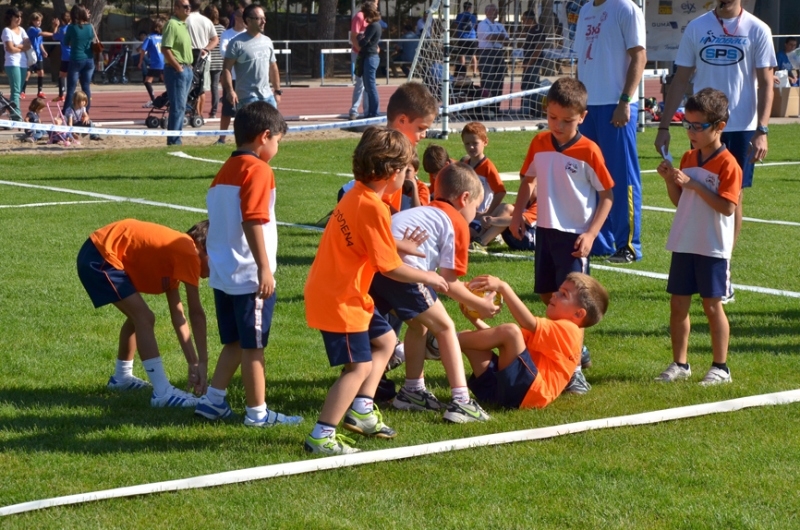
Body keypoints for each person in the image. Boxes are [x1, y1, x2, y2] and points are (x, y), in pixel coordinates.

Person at [304, 127, 449, 455]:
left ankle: (362, 410)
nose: (407, 177)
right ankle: (322, 435)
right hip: (342, 299)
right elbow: (389, 268)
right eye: (407, 171)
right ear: (394, 173)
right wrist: (429, 277)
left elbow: (363, 237)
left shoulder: (358, 194)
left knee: (385, 342)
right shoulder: (373, 206)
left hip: (337, 292)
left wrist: (398, 242)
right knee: (358, 367)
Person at [656, 0, 775, 302]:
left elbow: (765, 82)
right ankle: (698, 266)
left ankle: (723, 271)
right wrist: (665, 125)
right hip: (702, 126)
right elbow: (680, 77)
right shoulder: (697, 27)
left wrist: (762, 129)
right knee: (694, 192)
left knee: (733, 197)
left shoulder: (758, 29)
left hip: (741, 126)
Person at [194, 102, 302, 427]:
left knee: (236, 342)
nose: (277, 148)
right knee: (254, 347)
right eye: (278, 141)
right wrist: (264, 268)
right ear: (264, 136)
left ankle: (213, 401)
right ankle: (258, 414)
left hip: (225, 274)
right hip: (248, 276)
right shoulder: (259, 171)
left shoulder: (223, 172)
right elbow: (253, 220)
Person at [510, 77, 614, 395]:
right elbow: (528, 179)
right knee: (548, 297)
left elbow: (607, 195)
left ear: (582, 117)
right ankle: (574, 350)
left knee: (572, 308)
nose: (558, 125)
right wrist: (516, 213)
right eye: (552, 118)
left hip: (574, 238)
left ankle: (574, 370)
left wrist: (591, 234)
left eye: (566, 120)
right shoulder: (539, 143)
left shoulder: (589, 150)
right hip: (545, 233)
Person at [371, 162, 495, 423]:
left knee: (419, 325)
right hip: (402, 272)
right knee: (446, 327)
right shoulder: (456, 223)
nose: (476, 213)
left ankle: (412, 392)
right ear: (463, 199)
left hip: (375, 273)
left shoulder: (424, 211)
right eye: (476, 206)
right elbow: (449, 283)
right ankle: (462, 401)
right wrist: (480, 305)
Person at [654, 88, 741, 386]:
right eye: (686, 124)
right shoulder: (689, 156)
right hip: (685, 241)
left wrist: (693, 184)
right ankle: (680, 363)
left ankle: (721, 367)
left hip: (712, 246)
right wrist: (671, 181)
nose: (691, 132)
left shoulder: (728, 163)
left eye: (698, 126)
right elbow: (681, 201)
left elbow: (728, 207)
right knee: (678, 305)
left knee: (712, 306)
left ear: (719, 126)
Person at [76, 218, 210, 408]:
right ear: (205, 248)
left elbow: (179, 316)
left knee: (137, 317)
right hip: (100, 255)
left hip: (97, 251)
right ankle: (162, 393)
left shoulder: (179, 254)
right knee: (144, 317)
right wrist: (203, 361)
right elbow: (196, 314)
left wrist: (193, 363)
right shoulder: (188, 252)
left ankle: (121, 378)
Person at [458, 272, 608, 409]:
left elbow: (523, 325)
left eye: (563, 294)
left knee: (511, 331)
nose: (554, 294)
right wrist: (475, 320)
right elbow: (499, 339)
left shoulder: (571, 330)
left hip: (530, 394)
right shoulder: (556, 331)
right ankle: (447, 342)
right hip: (509, 391)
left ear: (578, 313)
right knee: (474, 340)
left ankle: (443, 341)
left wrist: (503, 287)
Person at [573, 0, 645, 264]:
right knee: (590, 177)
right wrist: (578, 104)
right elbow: (582, 61)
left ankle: (629, 244)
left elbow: (639, 56)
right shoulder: (585, 11)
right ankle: (599, 241)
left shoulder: (626, 8)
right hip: (588, 108)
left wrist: (625, 100)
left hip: (616, 105)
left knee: (622, 175)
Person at [222, 4, 281, 110]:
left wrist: (277, 91)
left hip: (268, 97)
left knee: (274, 126)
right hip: (247, 98)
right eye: (259, 19)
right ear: (248, 20)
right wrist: (230, 91)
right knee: (251, 126)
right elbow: (226, 69)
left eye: (264, 18)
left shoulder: (267, 41)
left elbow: (273, 67)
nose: (264, 22)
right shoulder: (236, 43)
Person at [460, 121, 506, 249]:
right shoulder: (465, 164)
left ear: (485, 142)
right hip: (467, 214)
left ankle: (492, 235)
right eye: (467, 144)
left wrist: (488, 212)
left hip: (479, 217)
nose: (471, 147)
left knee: (465, 233)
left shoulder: (488, 167)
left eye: (475, 143)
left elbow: (500, 191)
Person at [161, 0, 194, 146]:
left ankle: (176, 138)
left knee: (181, 106)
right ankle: (174, 140)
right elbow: (165, 49)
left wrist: (188, 67)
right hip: (176, 71)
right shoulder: (171, 24)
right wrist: (178, 67)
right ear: (176, 9)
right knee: (178, 106)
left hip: (186, 69)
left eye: (189, 6)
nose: (188, 9)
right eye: (185, 7)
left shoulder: (183, 25)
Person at [215, 10, 245, 144]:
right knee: (227, 109)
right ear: (236, 18)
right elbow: (224, 52)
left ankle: (245, 138)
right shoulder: (227, 34)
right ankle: (222, 138)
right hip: (230, 77)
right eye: (243, 17)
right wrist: (240, 55)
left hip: (245, 78)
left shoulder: (249, 34)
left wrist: (236, 55)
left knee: (245, 110)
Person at [185, 0, 218, 119]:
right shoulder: (206, 21)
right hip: (203, 57)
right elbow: (215, 39)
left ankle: (190, 112)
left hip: (188, 57)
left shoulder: (184, 20)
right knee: (201, 88)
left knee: (188, 86)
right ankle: (199, 115)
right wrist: (206, 49)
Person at [476, 4, 509, 116]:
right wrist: (499, 37)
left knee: (499, 79)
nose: (496, 13)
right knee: (487, 80)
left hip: (499, 53)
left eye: (496, 11)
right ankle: (486, 107)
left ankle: (496, 108)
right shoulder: (482, 24)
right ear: (487, 12)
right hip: (487, 52)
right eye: (493, 11)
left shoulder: (500, 25)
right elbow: (489, 37)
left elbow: (507, 39)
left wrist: (498, 37)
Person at [63, 5, 95, 114]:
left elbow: (66, 42)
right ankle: (86, 110)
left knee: (71, 87)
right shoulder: (90, 26)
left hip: (76, 58)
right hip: (89, 58)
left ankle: (66, 110)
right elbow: (91, 38)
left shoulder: (71, 27)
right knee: (86, 86)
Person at [348, 1, 374, 120]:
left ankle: (368, 110)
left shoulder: (373, 17)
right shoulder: (359, 17)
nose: (377, 5)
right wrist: (360, 50)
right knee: (360, 83)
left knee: (368, 83)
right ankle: (354, 110)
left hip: (369, 55)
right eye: (375, 2)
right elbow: (354, 37)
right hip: (359, 54)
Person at [2, 7, 31, 115]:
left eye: (20, 16)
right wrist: (22, 47)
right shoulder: (6, 30)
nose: (19, 19)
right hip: (12, 63)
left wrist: (18, 46)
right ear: (10, 17)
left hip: (23, 63)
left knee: (18, 91)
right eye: (16, 16)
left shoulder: (22, 30)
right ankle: (16, 117)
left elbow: (28, 45)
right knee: (15, 91)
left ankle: (9, 108)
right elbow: (10, 49)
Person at [357, 2, 381, 118]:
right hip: (370, 57)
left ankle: (374, 113)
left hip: (371, 58)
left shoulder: (373, 26)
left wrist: (360, 37)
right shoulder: (373, 25)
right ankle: (371, 112)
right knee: (368, 86)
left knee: (371, 87)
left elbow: (363, 42)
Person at [520, 10, 546, 118]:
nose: (522, 22)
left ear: (529, 19)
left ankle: (536, 111)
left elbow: (538, 49)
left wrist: (529, 63)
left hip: (534, 63)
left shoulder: (538, 30)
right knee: (526, 85)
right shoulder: (529, 31)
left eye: (523, 20)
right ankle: (528, 110)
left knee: (533, 85)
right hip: (527, 62)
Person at [204, 5, 225, 118]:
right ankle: (214, 111)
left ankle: (196, 109)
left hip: (207, 59)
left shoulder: (206, 28)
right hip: (218, 62)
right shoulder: (222, 29)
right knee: (214, 87)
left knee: (201, 86)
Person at [139, 18, 165, 107]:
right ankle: (170, 99)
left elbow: (143, 50)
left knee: (147, 81)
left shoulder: (150, 37)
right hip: (165, 62)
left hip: (156, 63)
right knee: (168, 83)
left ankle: (154, 100)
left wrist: (140, 61)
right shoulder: (164, 37)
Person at [25, 12, 52, 99]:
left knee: (41, 72)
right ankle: (22, 91)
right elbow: (41, 34)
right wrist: (54, 34)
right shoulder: (31, 29)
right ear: (32, 21)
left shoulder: (39, 29)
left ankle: (40, 91)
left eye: (40, 21)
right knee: (28, 73)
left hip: (38, 55)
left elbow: (40, 43)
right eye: (37, 21)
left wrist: (43, 51)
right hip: (31, 55)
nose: (39, 22)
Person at [454, 2, 478, 78]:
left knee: (462, 55)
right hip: (472, 37)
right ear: (470, 8)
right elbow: (474, 26)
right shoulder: (473, 16)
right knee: (473, 56)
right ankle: (474, 72)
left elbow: (457, 25)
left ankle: (462, 72)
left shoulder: (460, 16)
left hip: (462, 37)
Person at [51, 12, 71, 103]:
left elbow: (54, 37)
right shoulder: (74, 28)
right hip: (75, 55)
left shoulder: (62, 29)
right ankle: (82, 94)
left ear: (62, 21)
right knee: (75, 75)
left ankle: (61, 95)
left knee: (62, 75)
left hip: (66, 56)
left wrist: (55, 26)